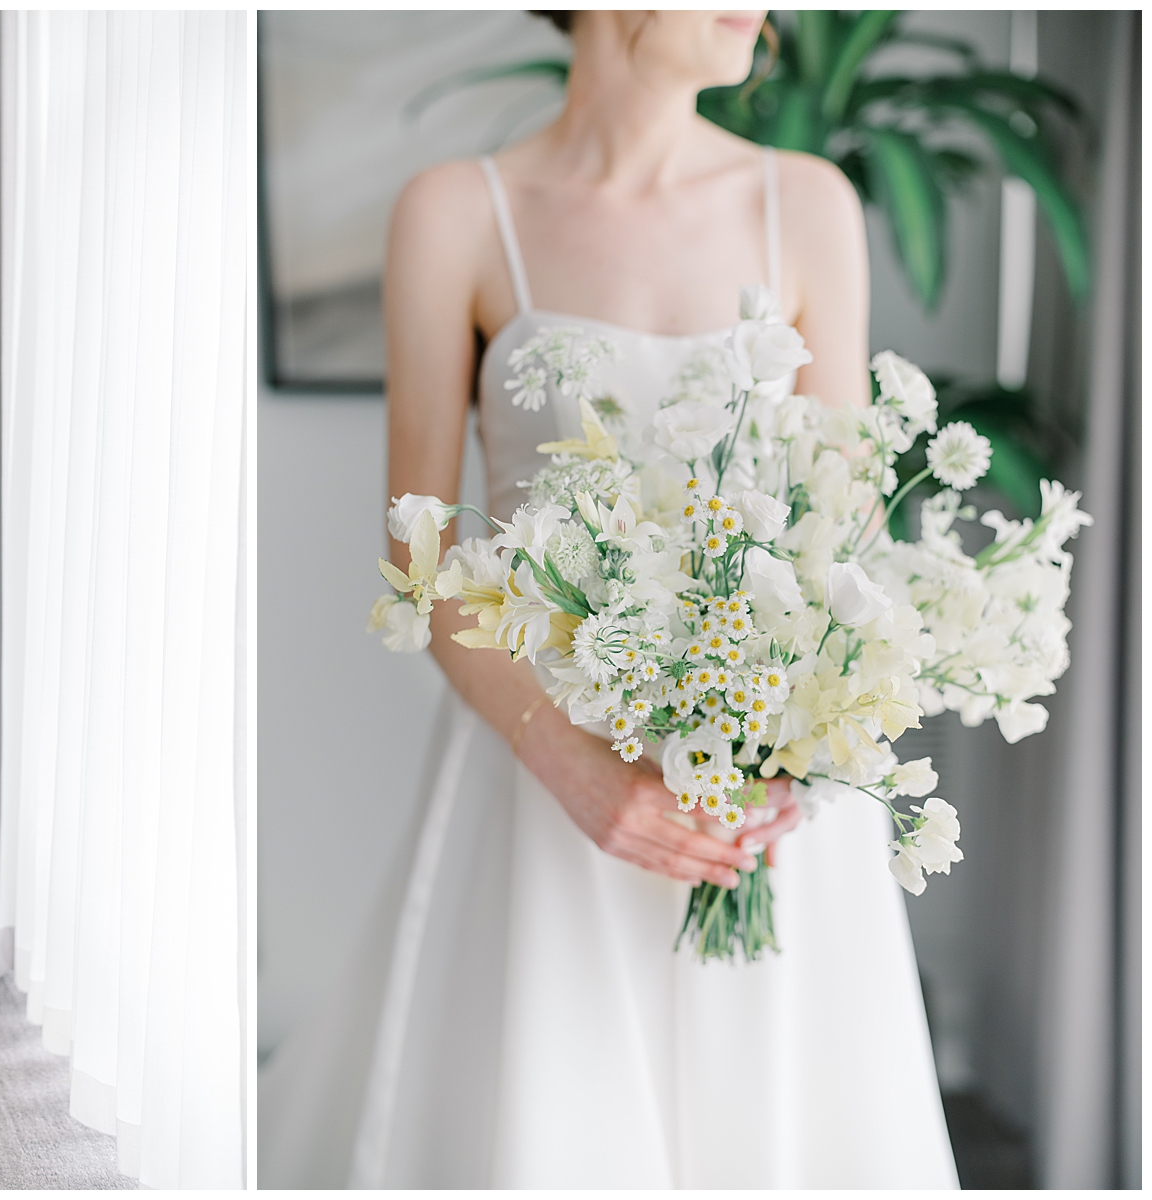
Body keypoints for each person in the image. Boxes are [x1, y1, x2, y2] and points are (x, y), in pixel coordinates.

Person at [259, 11, 959, 1188]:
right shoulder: (455, 211)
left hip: (766, 810)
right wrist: (586, 779)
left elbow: (846, 539)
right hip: (546, 790)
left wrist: (801, 743)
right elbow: (422, 564)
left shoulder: (810, 204)